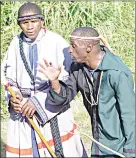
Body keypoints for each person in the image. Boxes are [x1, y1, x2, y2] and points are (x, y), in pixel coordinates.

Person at [1, 3, 87, 157]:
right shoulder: (15, 44)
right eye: (24, 23)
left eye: (33, 21)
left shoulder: (57, 42)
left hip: (51, 107)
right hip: (23, 112)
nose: (29, 27)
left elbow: (68, 81)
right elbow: (8, 78)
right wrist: (14, 98)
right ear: (19, 24)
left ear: (42, 20)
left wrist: (38, 101)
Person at [38, 26, 135, 158]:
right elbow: (63, 98)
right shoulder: (78, 68)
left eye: (73, 46)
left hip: (119, 145)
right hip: (98, 143)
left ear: (88, 48)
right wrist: (54, 81)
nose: (69, 50)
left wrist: (131, 151)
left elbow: (130, 115)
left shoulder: (117, 73)